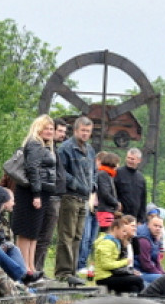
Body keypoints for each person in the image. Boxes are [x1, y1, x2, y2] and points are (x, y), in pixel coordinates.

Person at [11, 115, 58, 272]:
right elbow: (33, 169)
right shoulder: (34, 144)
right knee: (26, 231)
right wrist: (36, 194)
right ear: (39, 128)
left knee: (34, 232)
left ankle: (30, 265)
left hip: (41, 191)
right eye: (46, 128)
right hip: (30, 192)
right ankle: (23, 266)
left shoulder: (44, 146)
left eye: (52, 129)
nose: (50, 131)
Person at [55, 116, 96, 286]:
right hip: (70, 196)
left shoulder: (90, 150)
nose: (85, 134)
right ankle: (63, 272)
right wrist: (79, 186)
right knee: (67, 234)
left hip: (84, 198)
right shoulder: (65, 149)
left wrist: (93, 187)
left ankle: (73, 270)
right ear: (76, 130)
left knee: (79, 236)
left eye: (88, 131)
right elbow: (62, 173)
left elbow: (94, 172)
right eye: (83, 131)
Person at [35, 117, 68, 274]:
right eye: (59, 131)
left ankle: (39, 269)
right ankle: (36, 270)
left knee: (46, 238)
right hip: (49, 196)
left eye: (63, 131)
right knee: (43, 236)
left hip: (56, 196)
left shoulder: (55, 150)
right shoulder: (44, 150)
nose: (61, 134)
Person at [93, 215, 144, 295]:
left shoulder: (114, 242)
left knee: (134, 287)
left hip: (110, 275)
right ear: (116, 229)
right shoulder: (107, 242)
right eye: (123, 231)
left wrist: (129, 271)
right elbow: (106, 265)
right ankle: (141, 303)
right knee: (138, 280)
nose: (124, 234)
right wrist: (125, 262)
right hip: (104, 277)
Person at [114, 147, 148, 223]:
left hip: (134, 218)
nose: (130, 161)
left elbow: (143, 200)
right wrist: (116, 202)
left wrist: (141, 220)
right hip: (119, 216)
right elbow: (111, 191)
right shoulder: (118, 173)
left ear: (139, 160)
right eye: (128, 158)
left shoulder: (141, 178)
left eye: (132, 159)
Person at [134, 212, 165, 284]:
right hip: (138, 272)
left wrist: (164, 273)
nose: (158, 228)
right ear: (148, 225)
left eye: (160, 227)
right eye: (155, 226)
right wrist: (161, 275)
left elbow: (156, 261)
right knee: (163, 280)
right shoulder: (144, 240)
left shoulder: (155, 237)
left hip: (146, 271)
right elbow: (146, 265)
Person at [94, 151, 121, 233]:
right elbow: (105, 193)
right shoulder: (103, 174)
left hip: (107, 210)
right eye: (117, 163)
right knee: (105, 234)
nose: (118, 166)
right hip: (104, 211)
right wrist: (116, 203)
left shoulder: (108, 175)